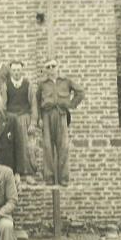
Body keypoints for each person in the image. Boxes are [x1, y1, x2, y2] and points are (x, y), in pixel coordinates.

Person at [35, 58, 85, 186]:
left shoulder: (66, 81)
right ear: (45, 70)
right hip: (47, 115)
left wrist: (71, 104)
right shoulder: (42, 84)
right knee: (47, 146)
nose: (51, 69)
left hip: (61, 114)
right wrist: (39, 118)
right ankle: (50, 177)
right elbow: (37, 101)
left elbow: (80, 92)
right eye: (48, 67)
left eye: (53, 66)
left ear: (58, 67)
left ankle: (63, 178)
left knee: (63, 146)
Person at [3, 61, 38, 176]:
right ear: (10, 71)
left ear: (22, 70)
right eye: (14, 70)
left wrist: (33, 123)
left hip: (24, 118)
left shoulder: (28, 85)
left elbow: (33, 104)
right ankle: (12, 174)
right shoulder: (5, 85)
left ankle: (27, 174)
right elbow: (3, 105)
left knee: (26, 147)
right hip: (10, 119)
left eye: (18, 70)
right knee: (10, 145)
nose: (16, 72)